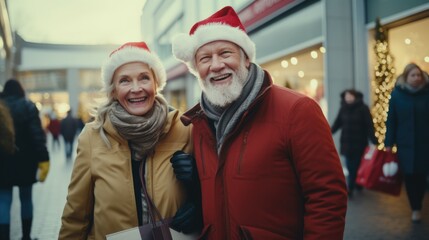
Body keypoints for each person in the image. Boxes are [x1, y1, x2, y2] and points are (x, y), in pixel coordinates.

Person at [172, 6, 348, 239]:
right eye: (205, 58)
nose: (216, 65)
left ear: (246, 59)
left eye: (225, 53)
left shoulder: (297, 110)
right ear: (198, 71)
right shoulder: (197, 125)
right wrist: (196, 196)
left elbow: (327, 198)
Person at [59, 41, 201, 239]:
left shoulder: (184, 128)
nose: (136, 88)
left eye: (144, 78)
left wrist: (199, 201)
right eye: (124, 81)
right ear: (113, 90)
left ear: (156, 84)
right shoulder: (92, 136)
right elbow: (76, 216)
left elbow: (215, 191)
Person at [0, 79, 50, 240]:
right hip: (26, 161)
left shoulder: (1, 106)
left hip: (3, 161)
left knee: (4, 200)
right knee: (26, 198)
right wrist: (44, 158)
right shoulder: (28, 106)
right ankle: (26, 237)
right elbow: (37, 135)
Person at [384, 63, 429, 223]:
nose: (417, 78)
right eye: (413, 75)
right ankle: (415, 207)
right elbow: (391, 120)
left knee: (422, 176)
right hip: (405, 144)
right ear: (406, 77)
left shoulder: (427, 93)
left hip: (425, 143)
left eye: (419, 75)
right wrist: (388, 143)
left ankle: (419, 204)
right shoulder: (397, 95)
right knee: (409, 176)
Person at [331, 89, 377, 197]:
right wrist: (328, 133)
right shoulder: (343, 108)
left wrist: (374, 140)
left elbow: (369, 125)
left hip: (359, 142)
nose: (348, 98)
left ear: (355, 97)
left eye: (350, 96)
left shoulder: (363, 108)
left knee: (355, 165)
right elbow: (337, 123)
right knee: (349, 165)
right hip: (347, 142)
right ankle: (356, 183)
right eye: (346, 96)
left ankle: (350, 187)